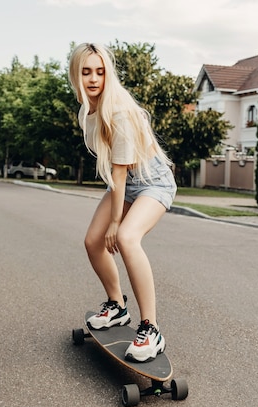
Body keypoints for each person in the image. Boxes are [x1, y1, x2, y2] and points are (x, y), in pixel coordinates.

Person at [68, 43, 177, 363]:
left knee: (127, 238)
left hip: (152, 182)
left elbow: (120, 171)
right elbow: (116, 175)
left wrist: (116, 222)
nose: (93, 78)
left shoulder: (118, 110)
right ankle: (116, 306)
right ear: (76, 74)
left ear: (108, 74)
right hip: (125, 184)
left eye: (100, 71)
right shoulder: (85, 110)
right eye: (86, 71)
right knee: (92, 241)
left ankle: (151, 328)